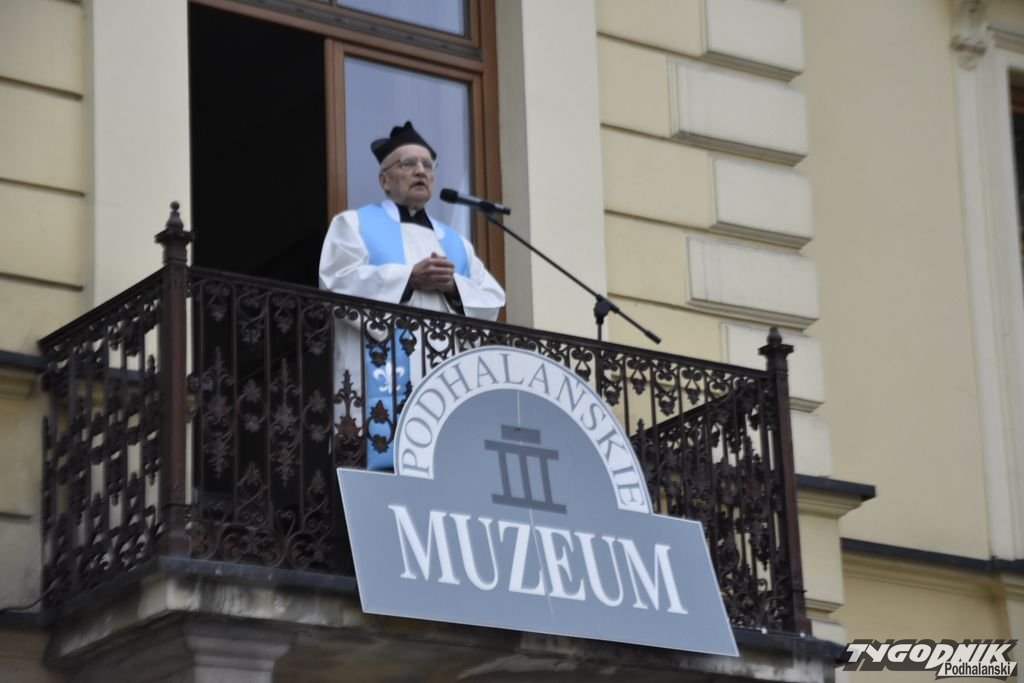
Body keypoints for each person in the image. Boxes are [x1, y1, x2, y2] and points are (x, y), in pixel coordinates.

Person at [319, 121, 505, 470]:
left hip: (441, 390)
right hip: (374, 391)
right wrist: (408, 278)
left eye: (427, 165)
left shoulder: (456, 244)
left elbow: (492, 300)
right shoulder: (354, 224)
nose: (420, 171)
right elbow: (336, 282)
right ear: (384, 180)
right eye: (408, 163)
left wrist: (453, 287)